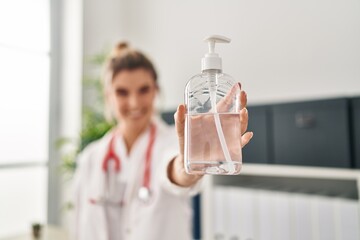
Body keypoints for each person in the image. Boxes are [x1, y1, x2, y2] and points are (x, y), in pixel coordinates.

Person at [73, 42, 253, 240]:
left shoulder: (172, 143)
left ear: (155, 91)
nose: (134, 103)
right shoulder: (90, 158)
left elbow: (176, 171)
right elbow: (78, 227)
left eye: (143, 90)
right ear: (108, 96)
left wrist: (188, 165)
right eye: (122, 92)